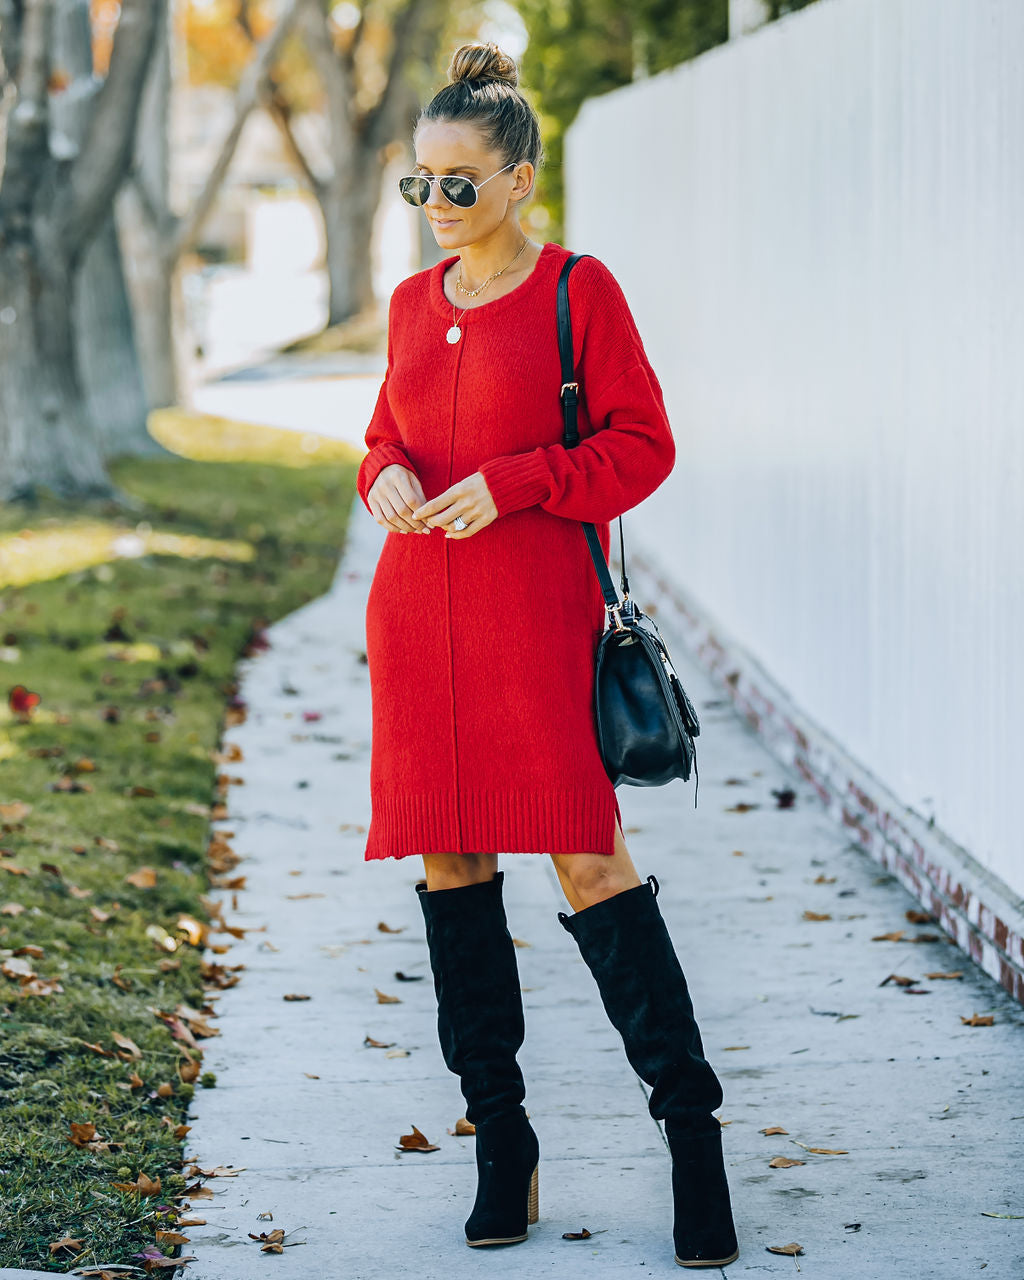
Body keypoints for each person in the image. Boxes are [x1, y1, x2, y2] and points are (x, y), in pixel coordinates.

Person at [355, 40, 739, 1270]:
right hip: (419, 623)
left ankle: (691, 1135)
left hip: (534, 624)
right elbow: (380, 437)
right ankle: (501, 1143)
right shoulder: (416, 305)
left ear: (520, 179)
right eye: (419, 185)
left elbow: (641, 447)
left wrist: (515, 485)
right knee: (452, 866)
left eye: (458, 183)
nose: (435, 208)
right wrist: (388, 477)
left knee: (587, 859)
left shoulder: (581, 291)